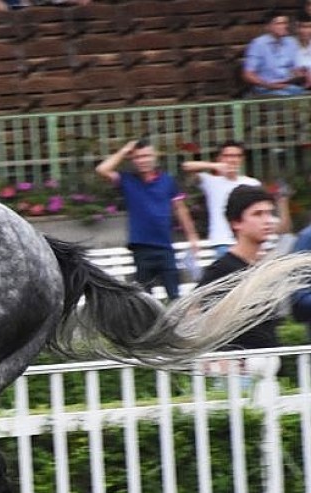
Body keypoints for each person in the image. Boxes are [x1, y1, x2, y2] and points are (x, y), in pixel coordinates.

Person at [197, 185, 300, 350]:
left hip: (268, 367)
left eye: (269, 213)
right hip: (239, 369)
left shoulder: (263, 268)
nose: (267, 220)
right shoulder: (222, 271)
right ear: (236, 222)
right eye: (257, 214)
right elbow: (197, 318)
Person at [96, 138, 200, 301]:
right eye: (138, 157)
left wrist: (192, 236)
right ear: (133, 160)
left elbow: (180, 208)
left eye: (146, 156)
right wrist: (125, 151)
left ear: (155, 156)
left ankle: (176, 327)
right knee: (146, 299)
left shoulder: (167, 181)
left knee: (175, 297)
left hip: (165, 248)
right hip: (141, 249)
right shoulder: (127, 180)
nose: (143, 161)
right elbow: (102, 169)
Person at [181, 140, 260, 260]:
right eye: (228, 156)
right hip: (222, 243)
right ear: (219, 157)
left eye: (237, 156)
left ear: (242, 159)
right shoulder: (210, 181)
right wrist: (214, 166)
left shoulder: (252, 183)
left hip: (248, 242)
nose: (232, 160)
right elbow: (186, 166)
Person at [242, 13, 307, 97]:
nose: (284, 26)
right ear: (268, 27)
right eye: (279, 23)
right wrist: (268, 85)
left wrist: (301, 73)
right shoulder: (258, 44)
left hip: (288, 86)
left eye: (285, 23)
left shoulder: (291, 42)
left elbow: (296, 68)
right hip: (266, 88)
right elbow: (248, 74)